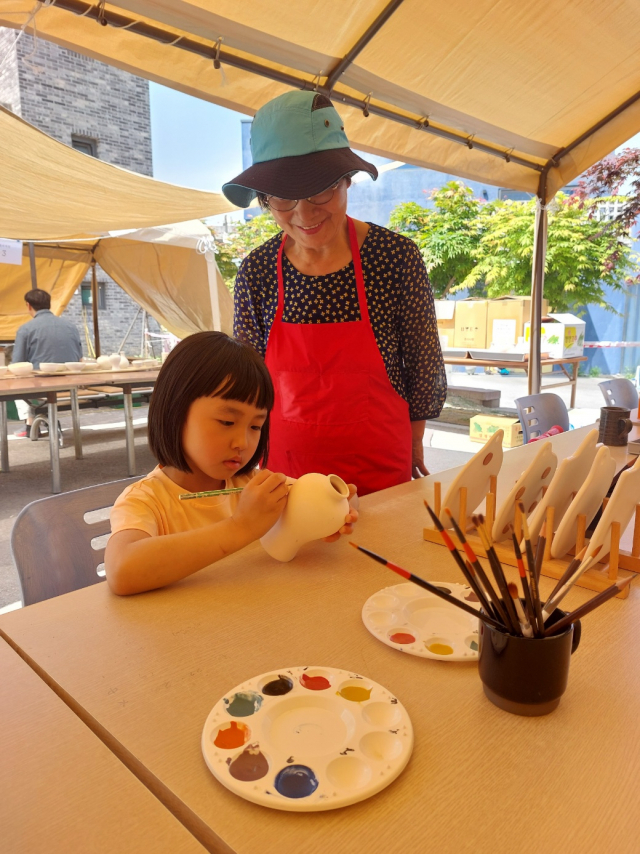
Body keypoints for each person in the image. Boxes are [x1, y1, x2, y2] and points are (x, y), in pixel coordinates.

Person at [224, 90, 446, 496]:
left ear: (346, 180)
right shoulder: (256, 273)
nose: (304, 215)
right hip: (288, 479)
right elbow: (247, 382)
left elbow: (423, 365)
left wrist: (414, 442)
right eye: (283, 199)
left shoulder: (394, 258)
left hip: (379, 475)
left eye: (320, 191)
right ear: (264, 200)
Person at [105, 332, 357, 596]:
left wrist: (340, 504)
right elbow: (122, 571)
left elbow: (318, 496)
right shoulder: (146, 501)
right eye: (227, 422)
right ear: (175, 412)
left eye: (256, 426)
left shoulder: (251, 485)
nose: (243, 442)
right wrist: (241, 527)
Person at [12, 289, 83, 437]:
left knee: (18, 382)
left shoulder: (25, 329)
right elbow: (79, 358)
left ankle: (30, 425)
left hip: (42, 388)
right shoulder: (71, 326)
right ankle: (37, 424)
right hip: (72, 386)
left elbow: (17, 364)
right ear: (49, 304)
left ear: (28, 305)